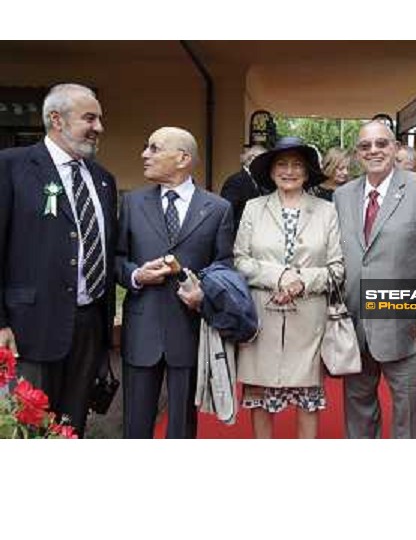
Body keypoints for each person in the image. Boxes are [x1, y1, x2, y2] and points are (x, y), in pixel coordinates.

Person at [0, 83, 118, 437]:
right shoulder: (11, 167)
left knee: (71, 427)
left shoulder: (102, 180)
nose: (99, 127)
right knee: (26, 428)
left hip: (88, 327)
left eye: (100, 118)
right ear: (56, 119)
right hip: (29, 327)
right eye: (89, 118)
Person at [115, 127, 234, 439]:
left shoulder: (218, 208)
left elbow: (225, 265)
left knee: (182, 428)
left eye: (154, 148)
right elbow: (116, 258)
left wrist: (203, 292)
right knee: (135, 428)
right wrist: (135, 276)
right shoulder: (132, 203)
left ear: (182, 158)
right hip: (142, 330)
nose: (145, 155)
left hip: (189, 328)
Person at [334, 120, 416, 438]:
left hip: (409, 328)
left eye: (382, 144)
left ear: (396, 147)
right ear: (357, 154)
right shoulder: (342, 196)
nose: (374, 151)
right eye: (365, 146)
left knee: (409, 419)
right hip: (354, 327)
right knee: (358, 413)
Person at [234, 136, 344, 439]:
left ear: (308, 172)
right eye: (282, 164)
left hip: (308, 323)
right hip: (261, 321)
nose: (289, 171)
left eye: (297, 165)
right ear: (270, 171)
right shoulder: (253, 209)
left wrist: (301, 282)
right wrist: (279, 276)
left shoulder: (326, 211)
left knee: (308, 404)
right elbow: (240, 261)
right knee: (260, 401)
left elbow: (337, 269)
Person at [220, 144, 267, 232]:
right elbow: (227, 214)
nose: (265, 164)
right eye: (263, 160)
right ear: (252, 158)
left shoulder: (259, 180)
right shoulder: (235, 181)